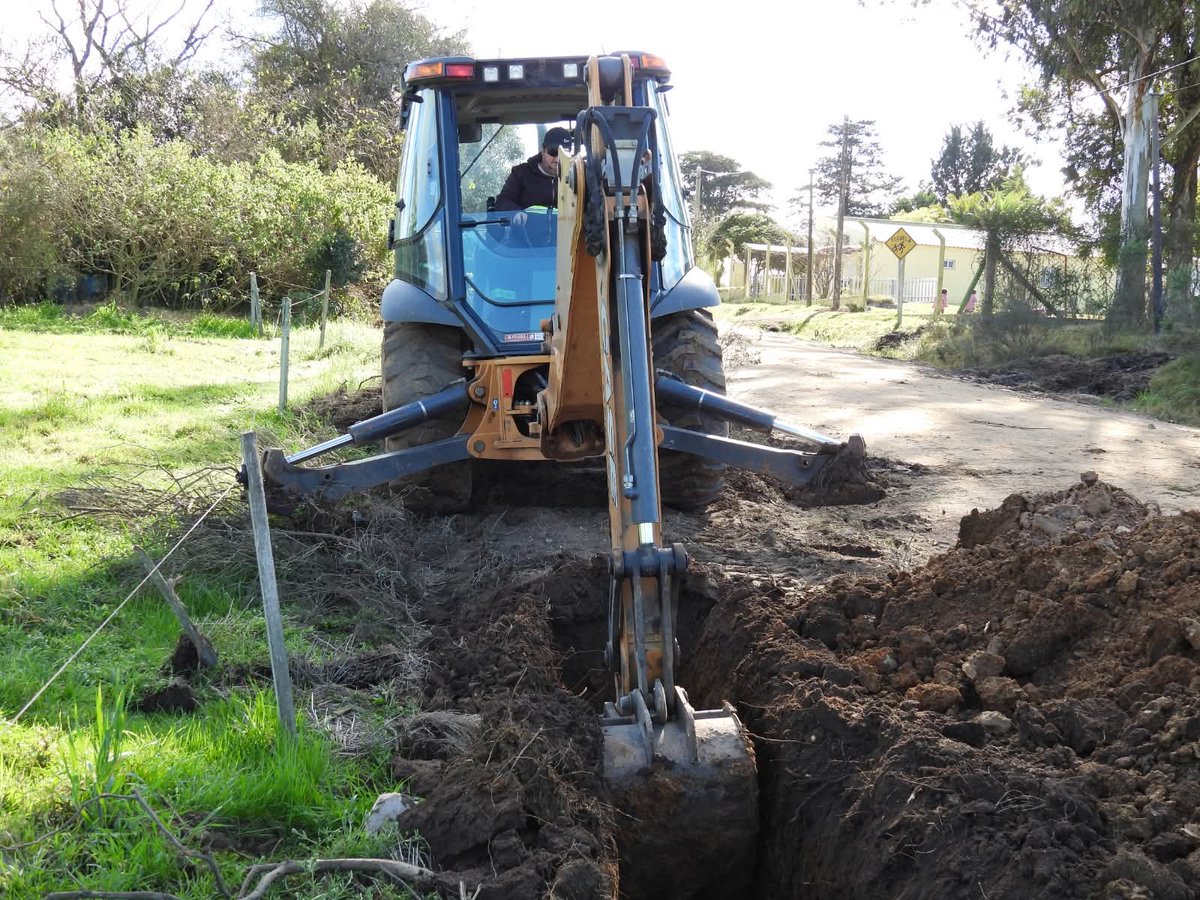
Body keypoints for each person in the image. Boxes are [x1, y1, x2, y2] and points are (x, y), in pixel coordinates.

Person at [495, 127, 573, 225]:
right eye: (553, 152)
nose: (557, 159)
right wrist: (515, 213)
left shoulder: (578, 177)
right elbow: (503, 201)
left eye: (563, 153)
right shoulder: (520, 173)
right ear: (543, 150)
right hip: (524, 239)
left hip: (567, 239)